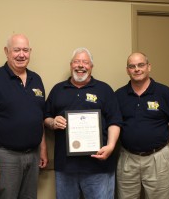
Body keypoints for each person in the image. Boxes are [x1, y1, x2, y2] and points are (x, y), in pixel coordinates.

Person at [0, 34, 48, 199]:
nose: (21, 55)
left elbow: (39, 117)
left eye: (25, 50)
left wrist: (43, 149)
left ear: (30, 52)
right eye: (16, 50)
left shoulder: (36, 79)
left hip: (33, 155)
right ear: (6, 52)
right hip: (4, 156)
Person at [44, 47, 122, 199]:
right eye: (77, 61)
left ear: (91, 66)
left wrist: (111, 146)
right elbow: (45, 117)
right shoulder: (58, 89)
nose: (80, 65)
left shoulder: (104, 89)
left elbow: (115, 121)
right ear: (71, 65)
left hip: (99, 166)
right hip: (65, 167)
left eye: (85, 62)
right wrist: (53, 122)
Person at [115, 52, 169, 199]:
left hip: (157, 158)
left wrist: (160, 142)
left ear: (149, 67)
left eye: (141, 65)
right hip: (127, 157)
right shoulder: (119, 96)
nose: (137, 69)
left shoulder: (165, 93)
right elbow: (113, 125)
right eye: (132, 66)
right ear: (128, 70)